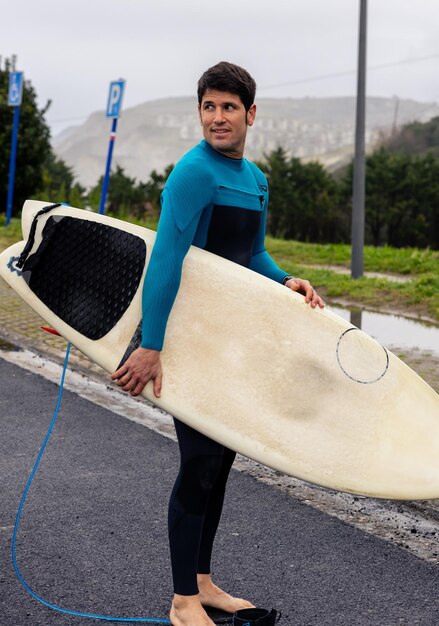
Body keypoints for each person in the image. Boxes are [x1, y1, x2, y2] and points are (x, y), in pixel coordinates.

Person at [112, 61, 325, 626]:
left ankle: (202, 583)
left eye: (229, 107)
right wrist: (152, 343)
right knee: (199, 462)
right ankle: (183, 602)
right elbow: (166, 258)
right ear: (199, 111)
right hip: (185, 335)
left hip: (229, 337)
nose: (218, 117)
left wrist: (285, 279)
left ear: (250, 114)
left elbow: (250, 254)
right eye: (209, 106)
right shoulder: (193, 173)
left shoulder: (255, 180)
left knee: (220, 460)